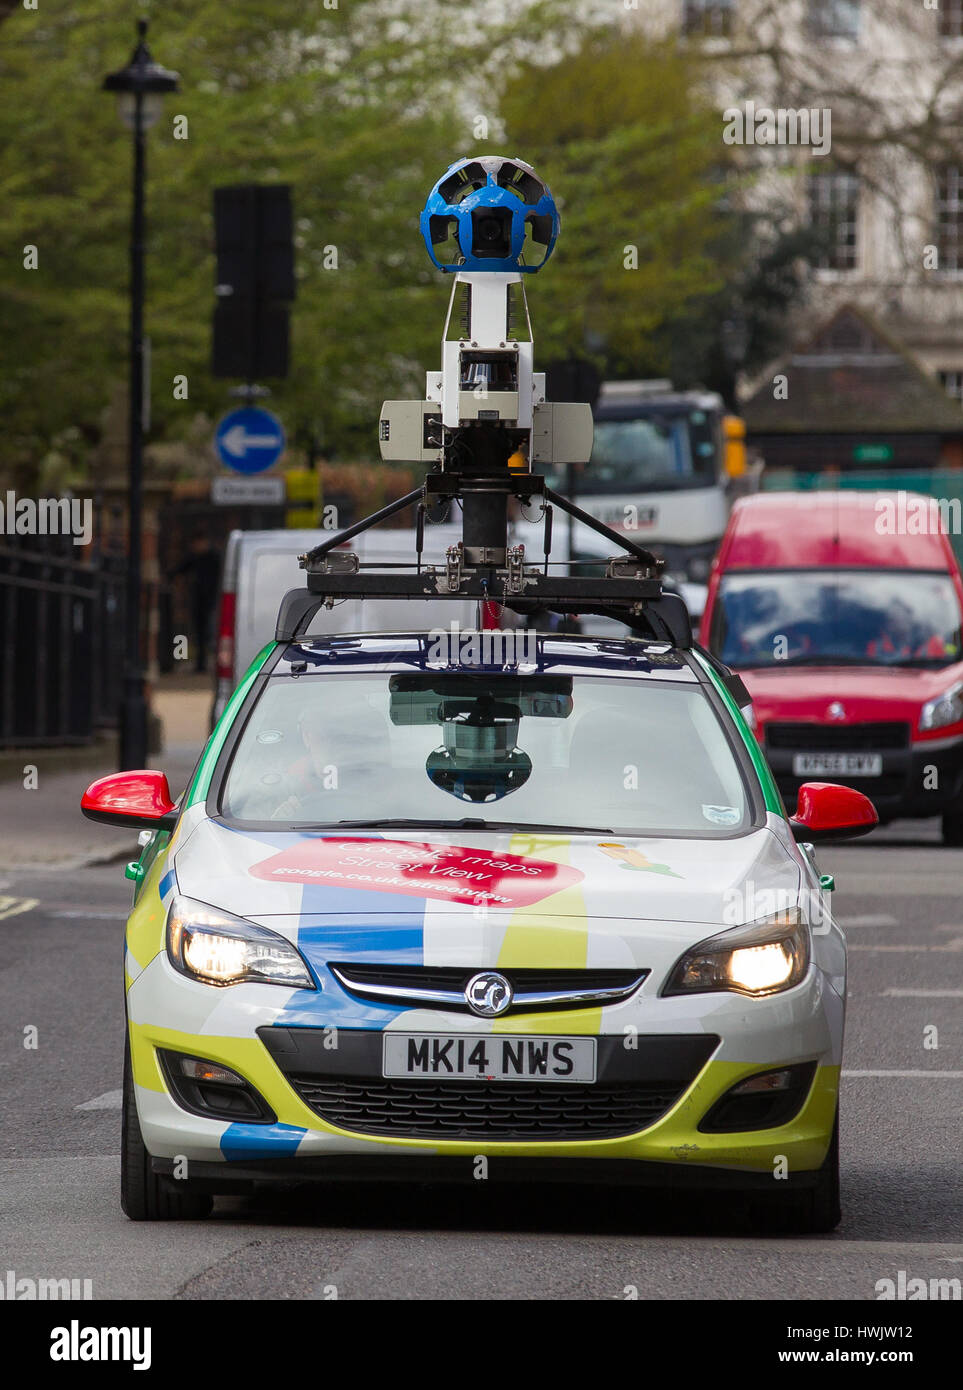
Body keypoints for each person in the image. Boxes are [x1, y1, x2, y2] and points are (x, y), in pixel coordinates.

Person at [171, 534, 220, 673]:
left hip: (211, 601)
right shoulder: (196, 557)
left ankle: (208, 661)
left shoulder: (213, 557)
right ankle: (201, 663)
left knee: (209, 633)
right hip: (199, 600)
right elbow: (182, 567)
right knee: (200, 633)